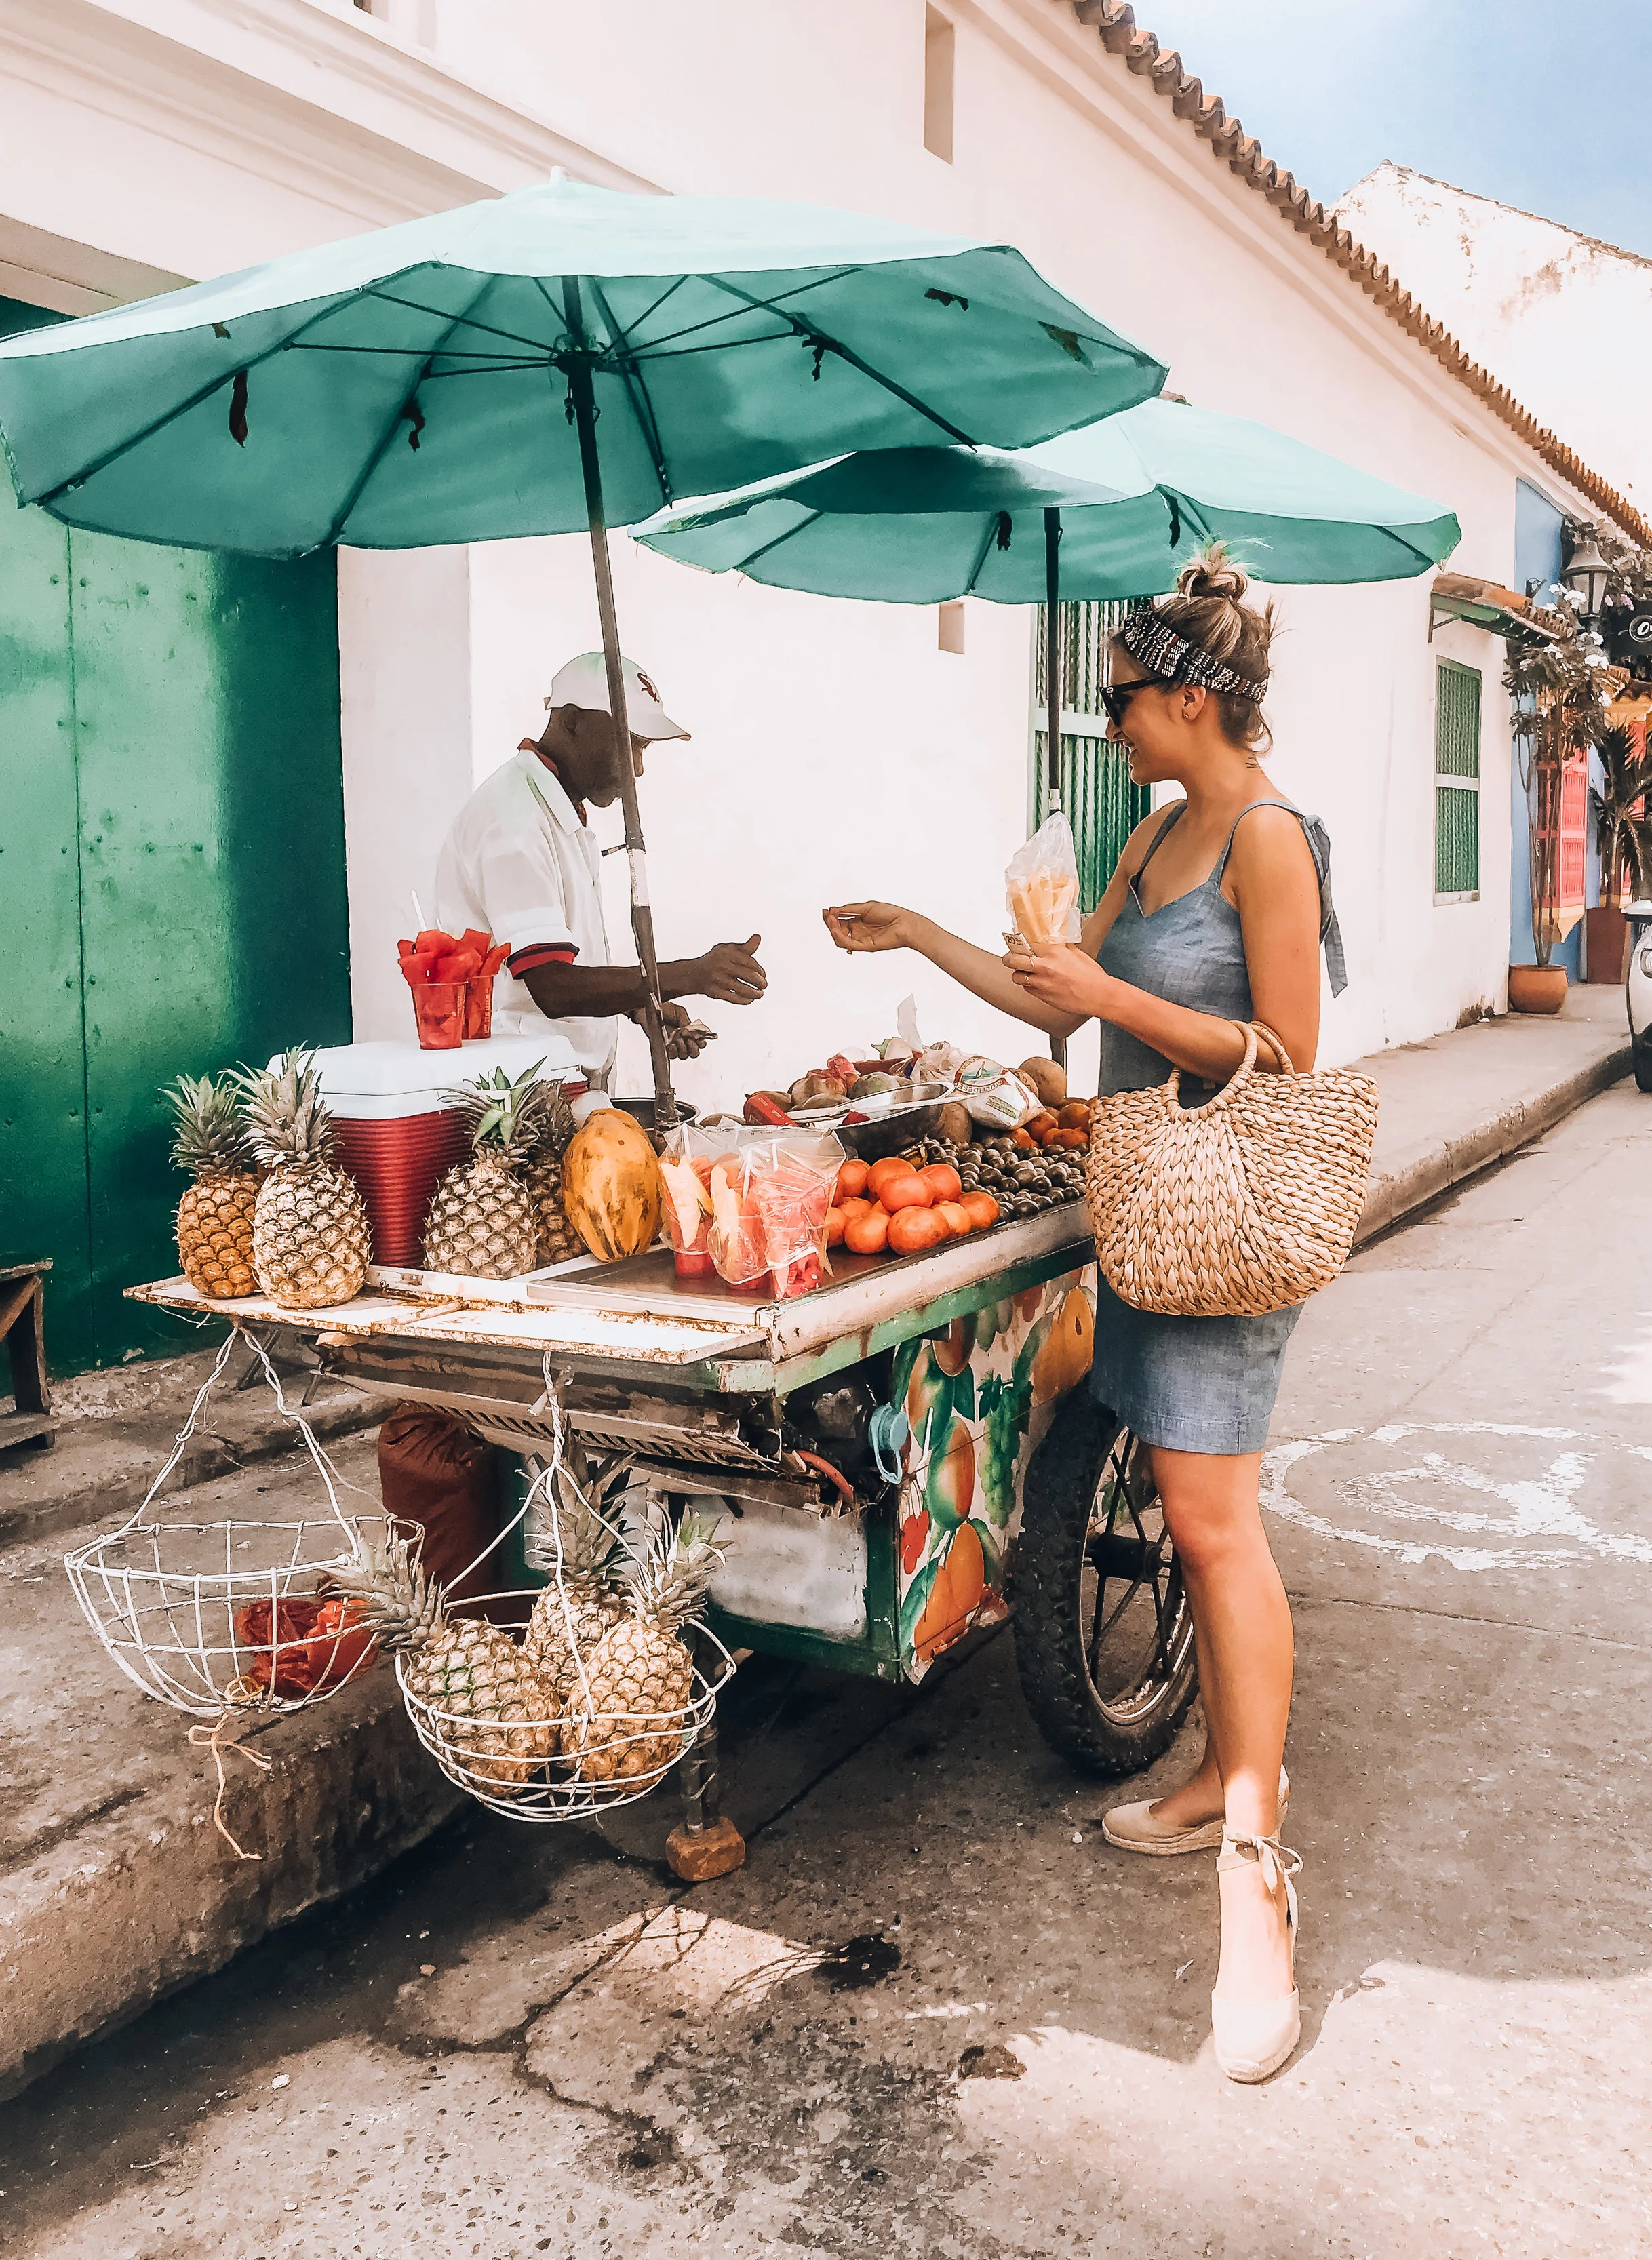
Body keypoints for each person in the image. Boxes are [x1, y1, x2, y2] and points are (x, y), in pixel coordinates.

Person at [823, 548, 1345, 2085]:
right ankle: (1209, 1775)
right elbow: (1057, 1004)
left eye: (1121, 701)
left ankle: (1258, 1885)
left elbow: (1287, 1050)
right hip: (1139, 1214)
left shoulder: (1263, 837)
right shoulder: (1152, 833)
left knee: (1216, 1528)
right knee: (1177, 1512)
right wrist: (919, 930)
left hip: (1223, 1216)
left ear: (1192, 698)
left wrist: (1117, 1005)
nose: (1107, 723)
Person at [435, 652, 766, 1085]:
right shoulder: (512, 824)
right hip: (517, 1091)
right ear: (571, 721)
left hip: (558, 1081)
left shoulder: (551, 809)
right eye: (631, 743)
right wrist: (689, 975)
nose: (639, 770)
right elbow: (552, 987)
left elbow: (562, 964)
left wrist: (638, 1002)